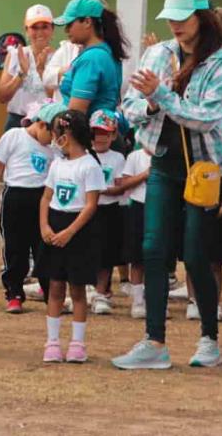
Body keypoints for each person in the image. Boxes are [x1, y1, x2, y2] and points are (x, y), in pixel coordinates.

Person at [113, 0, 222, 371]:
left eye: (183, 18)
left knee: (198, 254)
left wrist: (161, 96)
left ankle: (209, 340)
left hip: (204, 169)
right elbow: (129, 106)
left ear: (202, 17)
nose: (175, 26)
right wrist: (151, 104)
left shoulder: (221, 61)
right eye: (171, 19)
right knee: (153, 249)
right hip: (163, 161)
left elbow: (206, 118)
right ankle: (154, 341)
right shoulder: (157, 52)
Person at [37, 109, 103, 363]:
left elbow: (90, 205)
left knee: (77, 289)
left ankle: (77, 343)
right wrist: (45, 226)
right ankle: (52, 341)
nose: (53, 138)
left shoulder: (89, 165)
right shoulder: (57, 164)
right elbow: (46, 197)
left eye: (56, 134)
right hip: (55, 225)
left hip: (78, 229)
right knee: (55, 285)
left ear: (67, 135)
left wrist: (70, 232)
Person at [0, 100, 60, 313]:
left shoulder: (53, 148)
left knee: (43, 248)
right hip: (15, 196)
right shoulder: (14, 135)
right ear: (42, 125)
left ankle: (49, 292)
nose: (53, 140)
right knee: (15, 247)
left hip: (42, 199)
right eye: (52, 134)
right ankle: (14, 292)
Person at [53, 0, 127, 115]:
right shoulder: (106, 52)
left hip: (84, 131)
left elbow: (75, 114)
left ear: (87, 22)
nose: (66, 30)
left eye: (70, 24)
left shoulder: (92, 58)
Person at [89, 109, 127, 315]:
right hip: (88, 209)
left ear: (113, 135)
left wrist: (100, 189)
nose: (99, 137)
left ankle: (101, 292)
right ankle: (88, 289)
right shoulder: (85, 155)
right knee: (89, 251)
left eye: (105, 133)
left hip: (109, 210)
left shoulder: (118, 158)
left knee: (107, 253)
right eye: (95, 132)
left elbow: (120, 186)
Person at [0, 5, 55, 130]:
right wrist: (21, 74)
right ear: (26, 30)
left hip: (45, 123)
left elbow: (58, 99)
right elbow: (2, 97)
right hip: (16, 122)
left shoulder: (59, 57)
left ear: (52, 29)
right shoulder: (15, 55)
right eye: (34, 27)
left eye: (45, 27)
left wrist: (42, 72)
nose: (40, 32)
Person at [121, 144, 152, 319]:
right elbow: (125, 182)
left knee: (157, 259)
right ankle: (138, 301)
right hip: (138, 207)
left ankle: (156, 301)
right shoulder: (135, 156)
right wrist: (145, 174)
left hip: (161, 207)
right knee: (137, 258)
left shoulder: (167, 155)